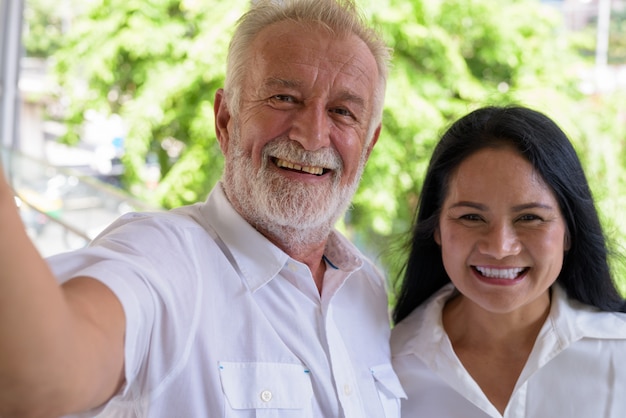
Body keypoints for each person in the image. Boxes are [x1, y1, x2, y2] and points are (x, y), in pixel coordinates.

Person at [0, 0, 407, 416]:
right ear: (226, 120)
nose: (312, 134)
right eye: (284, 97)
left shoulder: (367, 289)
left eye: (342, 111)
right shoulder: (164, 259)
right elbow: (39, 379)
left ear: (369, 145)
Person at [391, 105, 626, 418]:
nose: (500, 247)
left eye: (530, 217)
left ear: (570, 231)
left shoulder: (618, 353)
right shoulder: (387, 364)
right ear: (436, 227)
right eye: (471, 217)